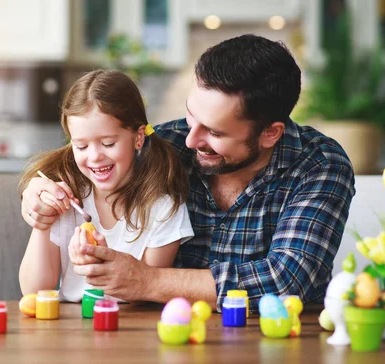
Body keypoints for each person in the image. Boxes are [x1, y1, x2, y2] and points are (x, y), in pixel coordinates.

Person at [22, 34, 356, 311]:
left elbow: (286, 279)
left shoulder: (320, 165)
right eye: (191, 116)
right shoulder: (161, 143)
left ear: (270, 132)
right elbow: (76, 162)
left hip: (275, 337)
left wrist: (147, 280)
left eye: (215, 133)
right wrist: (35, 194)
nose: (191, 138)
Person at [18, 70, 194, 301]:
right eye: (81, 146)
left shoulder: (163, 209)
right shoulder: (67, 198)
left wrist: (101, 260)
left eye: (108, 143)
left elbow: (146, 294)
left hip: (129, 329)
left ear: (138, 137)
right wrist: (43, 223)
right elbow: (35, 291)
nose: (95, 157)